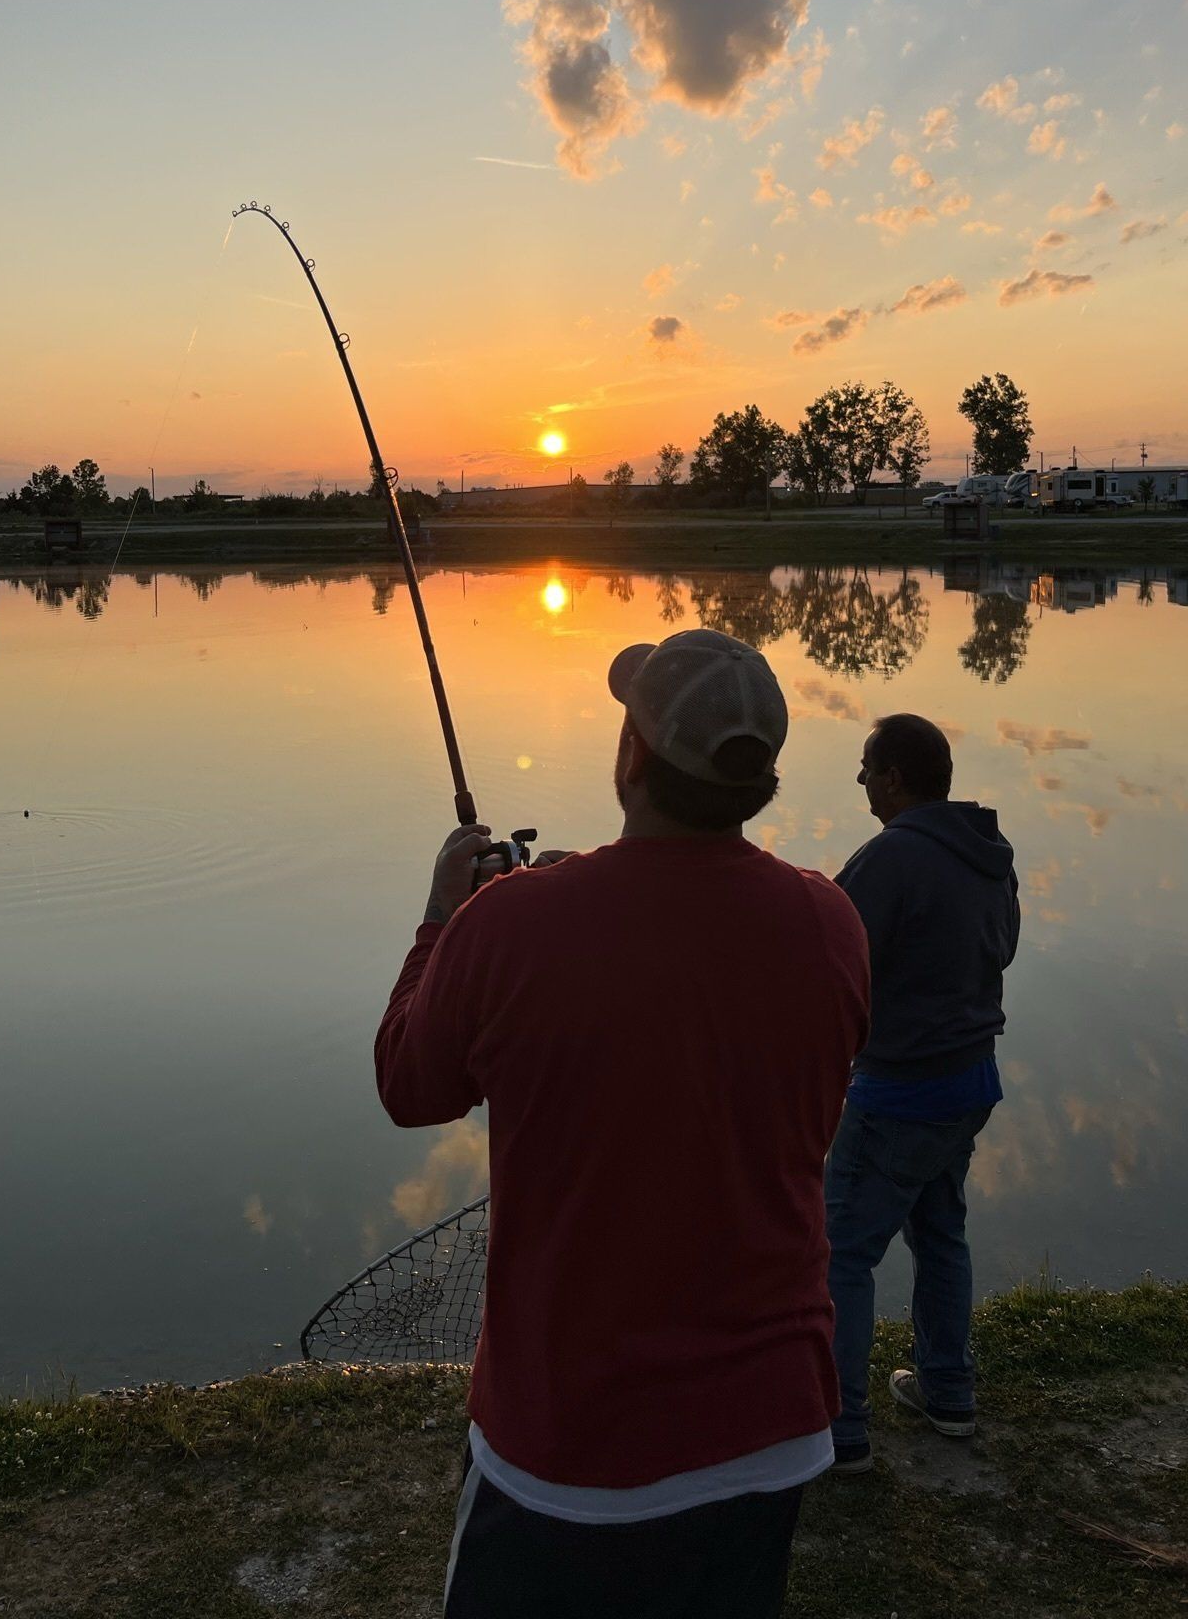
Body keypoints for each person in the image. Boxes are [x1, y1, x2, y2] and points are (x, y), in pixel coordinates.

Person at [375, 629, 869, 1619]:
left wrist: (446, 914)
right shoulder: (830, 922)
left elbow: (408, 1084)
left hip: (571, 1443)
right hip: (771, 1427)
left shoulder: (509, 925)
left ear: (631, 754)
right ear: (758, 778)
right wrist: (566, 898)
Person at [825, 712, 1020, 1472]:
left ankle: (839, 1430)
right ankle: (948, 1394)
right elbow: (999, 946)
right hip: (969, 1081)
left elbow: (830, 954)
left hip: (900, 1092)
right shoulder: (989, 855)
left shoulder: (892, 858)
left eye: (868, 768)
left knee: (840, 1250)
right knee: (941, 1233)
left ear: (895, 778)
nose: (863, 780)